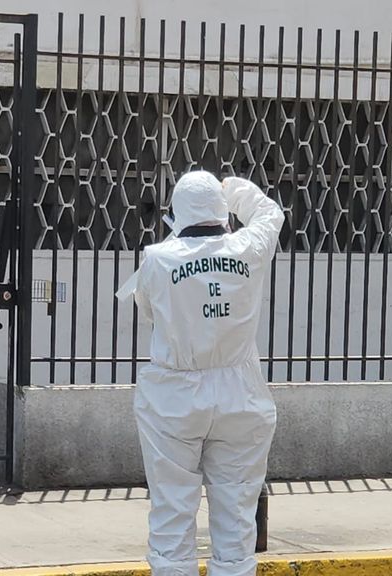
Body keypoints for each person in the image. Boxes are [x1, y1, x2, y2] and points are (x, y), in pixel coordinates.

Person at [120, 171, 284, 576]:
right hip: (240, 393)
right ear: (221, 211)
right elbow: (270, 213)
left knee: (172, 514)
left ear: (176, 212)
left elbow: (150, 312)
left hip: (175, 394)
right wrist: (235, 189)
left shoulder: (157, 258)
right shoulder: (249, 247)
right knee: (236, 521)